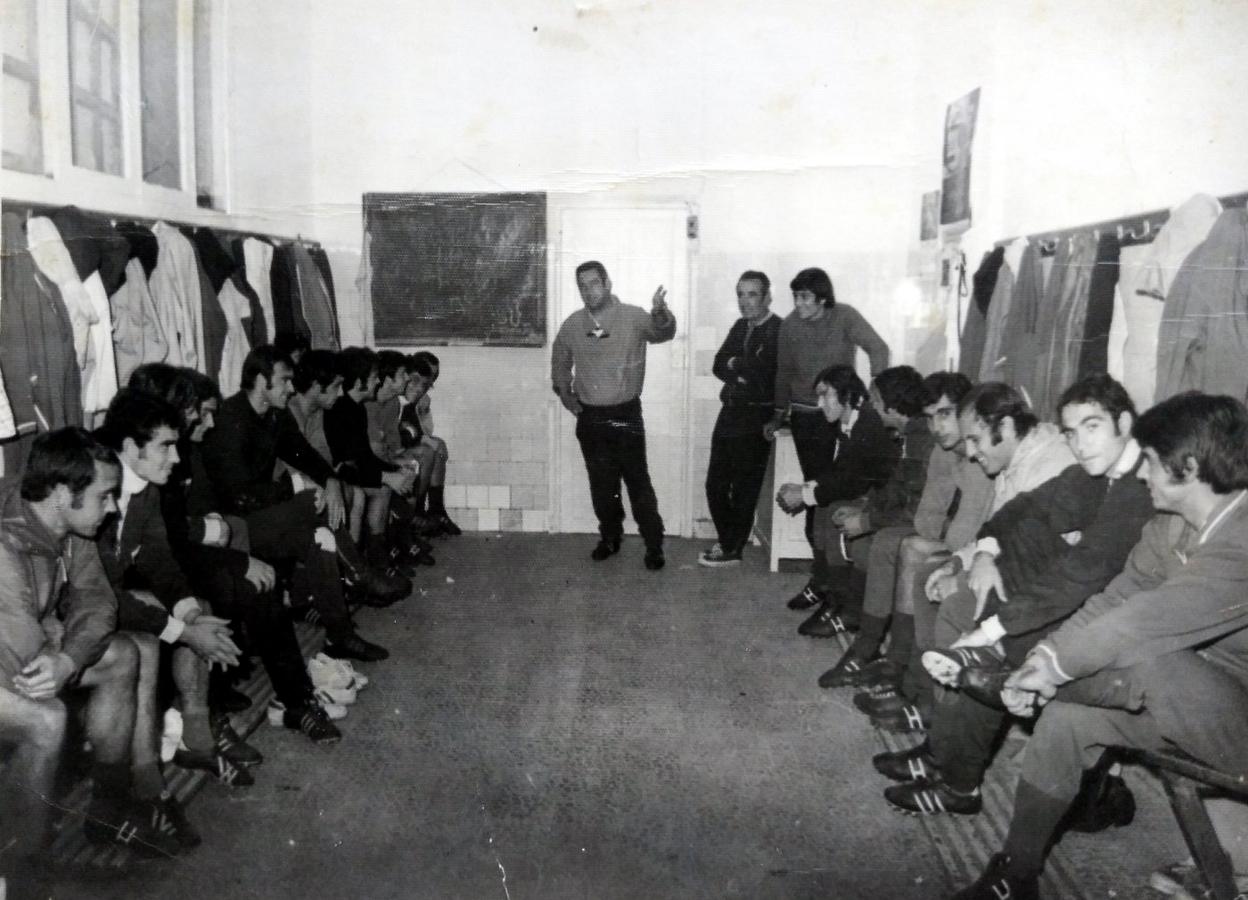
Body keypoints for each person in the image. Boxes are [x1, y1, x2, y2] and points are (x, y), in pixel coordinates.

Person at [953, 392, 1248, 900]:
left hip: (1234, 714)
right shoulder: (1169, 526)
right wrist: (1045, 657)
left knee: (1151, 655)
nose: (1142, 474)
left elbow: (1143, 621)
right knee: (1068, 725)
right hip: (1184, 698)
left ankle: (1030, 685)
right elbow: (1115, 598)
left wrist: (1049, 674)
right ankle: (1015, 874)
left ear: (1189, 467)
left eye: (1151, 462)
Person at [881, 375, 1154, 818]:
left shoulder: (1138, 486)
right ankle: (947, 762)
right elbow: (1025, 508)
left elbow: (1080, 574)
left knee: (983, 648)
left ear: (1123, 422)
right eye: (1071, 432)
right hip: (1075, 600)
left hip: (1116, 622)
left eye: (1091, 426)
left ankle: (957, 782)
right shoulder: (1092, 473)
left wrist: (994, 627)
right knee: (979, 629)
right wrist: (985, 551)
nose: (1080, 444)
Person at [1, 428, 184, 896]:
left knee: (122, 655)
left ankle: (108, 806)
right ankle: (18, 871)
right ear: (64, 493)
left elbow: (98, 602)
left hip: (17, 652)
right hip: (9, 659)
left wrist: (67, 654)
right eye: (105, 496)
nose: (114, 508)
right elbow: (24, 658)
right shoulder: (4, 543)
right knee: (46, 719)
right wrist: (57, 645)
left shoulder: (65, 525)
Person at [200, 346, 398, 662]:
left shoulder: (275, 415)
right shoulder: (230, 419)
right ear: (261, 381)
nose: (291, 388)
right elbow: (238, 495)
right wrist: (296, 487)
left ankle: (341, 635)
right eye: (284, 381)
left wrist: (330, 481)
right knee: (310, 503)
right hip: (235, 525)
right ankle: (359, 573)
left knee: (320, 541)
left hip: (268, 519)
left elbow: (302, 453)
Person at [768, 267, 890, 609]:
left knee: (833, 493)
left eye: (805, 297)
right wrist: (779, 413)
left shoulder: (845, 316)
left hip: (838, 415)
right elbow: (784, 372)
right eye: (795, 296)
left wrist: (880, 397)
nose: (798, 304)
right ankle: (820, 579)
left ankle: (835, 581)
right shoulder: (790, 325)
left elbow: (878, 349)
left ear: (823, 298)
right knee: (818, 494)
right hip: (807, 418)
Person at [551, 260, 676, 570]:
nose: (588, 290)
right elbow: (560, 360)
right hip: (591, 418)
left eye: (594, 283)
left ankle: (654, 543)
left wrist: (660, 312)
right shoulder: (572, 325)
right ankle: (610, 537)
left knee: (638, 482)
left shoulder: (633, 317)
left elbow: (663, 332)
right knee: (602, 484)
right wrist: (566, 395)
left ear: (607, 284)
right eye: (582, 285)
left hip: (626, 415)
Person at [796, 365, 930, 637]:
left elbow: (859, 482)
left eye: (878, 401)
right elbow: (851, 474)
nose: (873, 405)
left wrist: (867, 517)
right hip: (881, 500)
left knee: (836, 511)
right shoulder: (902, 431)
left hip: (892, 508)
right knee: (829, 508)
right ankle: (830, 592)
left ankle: (848, 607)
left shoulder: (885, 428)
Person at [775, 365, 899, 625]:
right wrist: (805, 489)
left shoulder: (867, 422)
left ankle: (838, 600)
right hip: (864, 491)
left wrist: (805, 495)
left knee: (832, 509)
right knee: (822, 506)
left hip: (878, 497)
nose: (820, 404)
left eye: (825, 395)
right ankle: (822, 583)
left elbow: (850, 483)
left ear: (847, 394)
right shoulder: (849, 420)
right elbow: (839, 471)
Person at [700, 270, 781, 567]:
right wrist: (740, 366)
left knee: (745, 487)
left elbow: (763, 375)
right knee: (715, 484)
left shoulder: (777, 330)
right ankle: (728, 540)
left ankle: (731, 548)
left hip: (756, 416)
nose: (745, 301)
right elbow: (718, 364)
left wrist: (738, 366)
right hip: (730, 412)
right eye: (740, 294)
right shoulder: (739, 326)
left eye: (752, 294)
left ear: (767, 297)